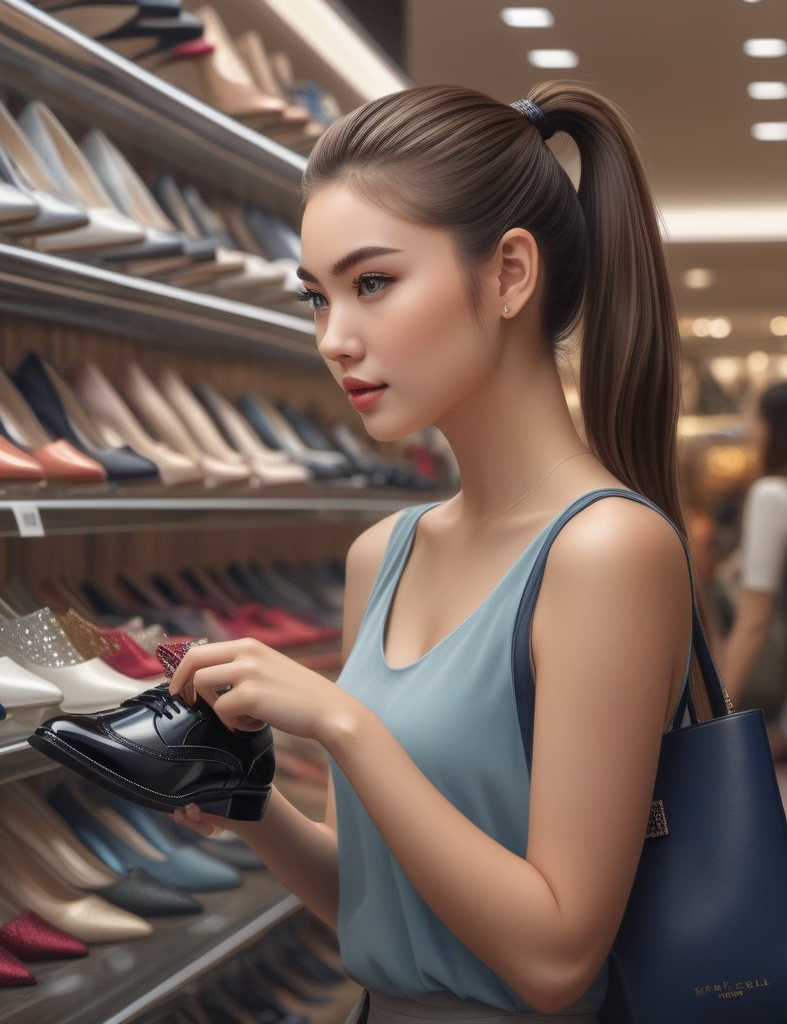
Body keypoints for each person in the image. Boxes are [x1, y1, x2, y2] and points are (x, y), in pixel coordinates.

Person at [168, 82, 694, 1023]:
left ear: (508, 276)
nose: (333, 338)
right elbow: (381, 909)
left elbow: (554, 957)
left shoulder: (606, 551)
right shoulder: (387, 553)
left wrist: (343, 724)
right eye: (317, 297)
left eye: (372, 283)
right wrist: (248, 806)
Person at [720, 382, 787, 730]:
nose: (751, 431)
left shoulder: (771, 495)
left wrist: (716, 711)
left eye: (756, 420)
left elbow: (754, 624)